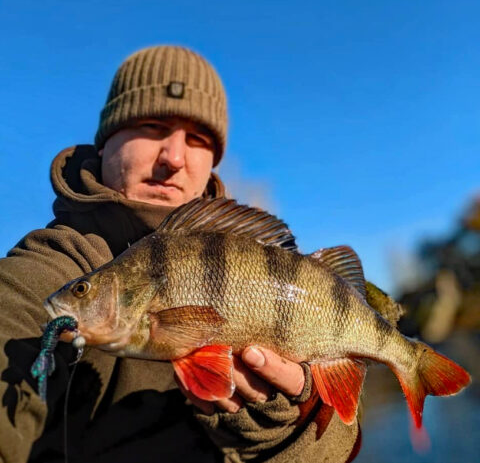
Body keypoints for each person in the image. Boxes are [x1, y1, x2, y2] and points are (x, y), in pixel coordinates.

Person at [0, 46, 362, 463]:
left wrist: (288, 424)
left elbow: (339, 448)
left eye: (197, 139)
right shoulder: (54, 262)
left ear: (212, 160)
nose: (173, 157)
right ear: (105, 143)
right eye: (152, 126)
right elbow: (16, 311)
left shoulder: (258, 258)